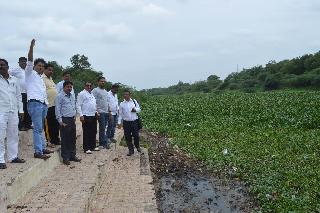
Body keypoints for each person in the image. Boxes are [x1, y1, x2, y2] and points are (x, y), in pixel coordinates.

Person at [25, 39, 53, 160]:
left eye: (42, 66)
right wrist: (31, 47)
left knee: (40, 127)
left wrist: (46, 104)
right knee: (37, 129)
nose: (41, 67)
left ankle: (42, 147)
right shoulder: (29, 73)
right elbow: (30, 59)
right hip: (34, 104)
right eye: (39, 65)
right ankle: (38, 151)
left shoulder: (41, 78)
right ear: (34, 66)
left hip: (42, 104)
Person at [0, 58, 26, 169]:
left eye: (3, 65)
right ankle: (0, 159)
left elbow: (19, 96)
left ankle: (13, 156)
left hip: (13, 111)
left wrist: (21, 110)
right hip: (1, 111)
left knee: (13, 134)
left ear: (8, 67)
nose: (1, 67)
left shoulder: (14, 80)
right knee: (1, 135)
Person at [55, 81, 81, 165]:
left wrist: (74, 117)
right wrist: (60, 121)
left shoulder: (72, 96)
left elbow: (74, 106)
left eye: (71, 87)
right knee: (65, 139)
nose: (69, 88)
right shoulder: (59, 96)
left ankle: (72, 155)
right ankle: (65, 157)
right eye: (68, 87)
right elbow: (57, 109)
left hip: (72, 119)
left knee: (72, 138)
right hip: (65, 120)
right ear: (64, 87)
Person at [9, 57, 33, 131]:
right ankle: (21, 126)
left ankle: (28, 124)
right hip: (20, 93)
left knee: (28, 109)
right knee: (21, 109)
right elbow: (7, 73)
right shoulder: (16, 70)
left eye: (25, 62)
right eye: (22, 61)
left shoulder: (28, 71)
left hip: (28, 93)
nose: (24, 63)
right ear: (19, 63)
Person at [76, 81, 99, 154]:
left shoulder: (91, 94)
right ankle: (86, 148)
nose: (89, 87)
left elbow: (94, 104)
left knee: (93, 131)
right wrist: (81, 115)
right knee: (87, 132)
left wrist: (96, 112)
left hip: (93, 115)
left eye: (90, 86)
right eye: (87, 85)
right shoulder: (82, 94)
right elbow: (78, 105)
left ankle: (93, 146)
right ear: (84, 86)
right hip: (86, 115)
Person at [118, 90, 141, 156]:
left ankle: (137, 146)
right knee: (127, 137)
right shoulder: (122, 104)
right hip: (126, 123)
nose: (125, 96)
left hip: (134, 122)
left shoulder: (134, 101)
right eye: (124, 94)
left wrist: (135, 110)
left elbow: (139, 109)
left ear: (129, 95)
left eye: (127, 94)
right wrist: (119, 122)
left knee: (136, 136)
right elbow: (120, 114)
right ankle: (131, 150)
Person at [42, 64, 60, 147]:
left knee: (55, 123)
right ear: (44, 70)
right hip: (47, 105)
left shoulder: (51, 79)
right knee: (48, 124)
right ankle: (49, 141)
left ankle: (56, 139)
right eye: (49, 70)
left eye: (52, 70)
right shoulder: (42, 78)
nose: (51, 72)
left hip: (55, 105)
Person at [92, 76, 110, 149]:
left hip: (106, 112)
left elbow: (107, 102)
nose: (103, 82)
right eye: (101, 81)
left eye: (104, 81)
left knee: (104, 128)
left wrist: (109, 111)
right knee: (102, 128)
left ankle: (104, 142)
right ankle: (102, 143)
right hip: (100, 112)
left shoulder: (106, 91)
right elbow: (93, 101)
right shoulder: (95, 90)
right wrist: (96, 111)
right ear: (98, 82)